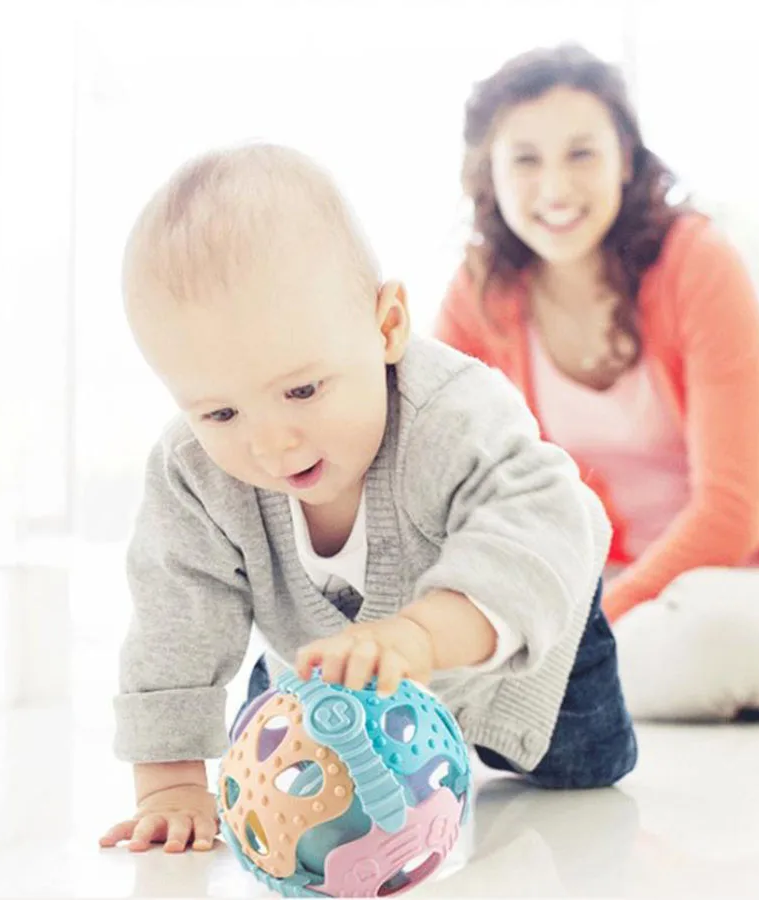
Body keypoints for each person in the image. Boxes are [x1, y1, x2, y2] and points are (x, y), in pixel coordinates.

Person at [98, 142, 636, 855]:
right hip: (331, 655)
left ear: (386, 327)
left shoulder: (455, 413)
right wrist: (168, 783)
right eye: (220, 414)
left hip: (530, 638)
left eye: (302, 390)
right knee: (296, 764)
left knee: (582, 772)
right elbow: (177, 615)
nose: (273, 445)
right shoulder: (193, 472)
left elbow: (537, 524)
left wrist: (421, 637)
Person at [435, 44, 759, 723]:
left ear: (625, 160)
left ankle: (548, 696)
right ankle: (554, 695)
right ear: (490, 173)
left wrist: (585, 627)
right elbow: (445, 485)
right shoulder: (480, 297)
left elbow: (732, 515)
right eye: (526, 159)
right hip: (625, 588)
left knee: (705, 633)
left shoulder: (697, 263)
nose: (555, 188)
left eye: (581, 154)